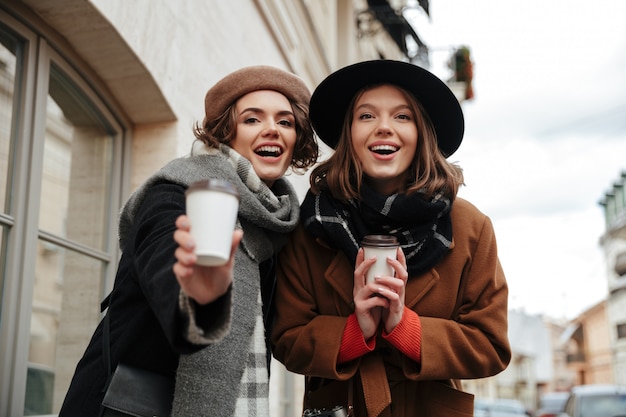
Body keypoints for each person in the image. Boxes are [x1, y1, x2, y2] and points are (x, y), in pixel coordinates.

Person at [59, 65, 318, 417]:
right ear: (227, 133)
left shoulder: (278, 226)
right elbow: (165, 264)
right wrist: (199, 298)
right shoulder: (177, 194)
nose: (272, 129)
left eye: (285, 122)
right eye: (252, 120)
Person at [270, 60, 511, 417]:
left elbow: (491, 345)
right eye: (366, 116)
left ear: (422, 133)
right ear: (348, 134)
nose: (384, 128)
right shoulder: (312, 224)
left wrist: (405, 328)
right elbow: (287, 338)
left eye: (402, 117)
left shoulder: (470, 227)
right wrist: (356, 331)